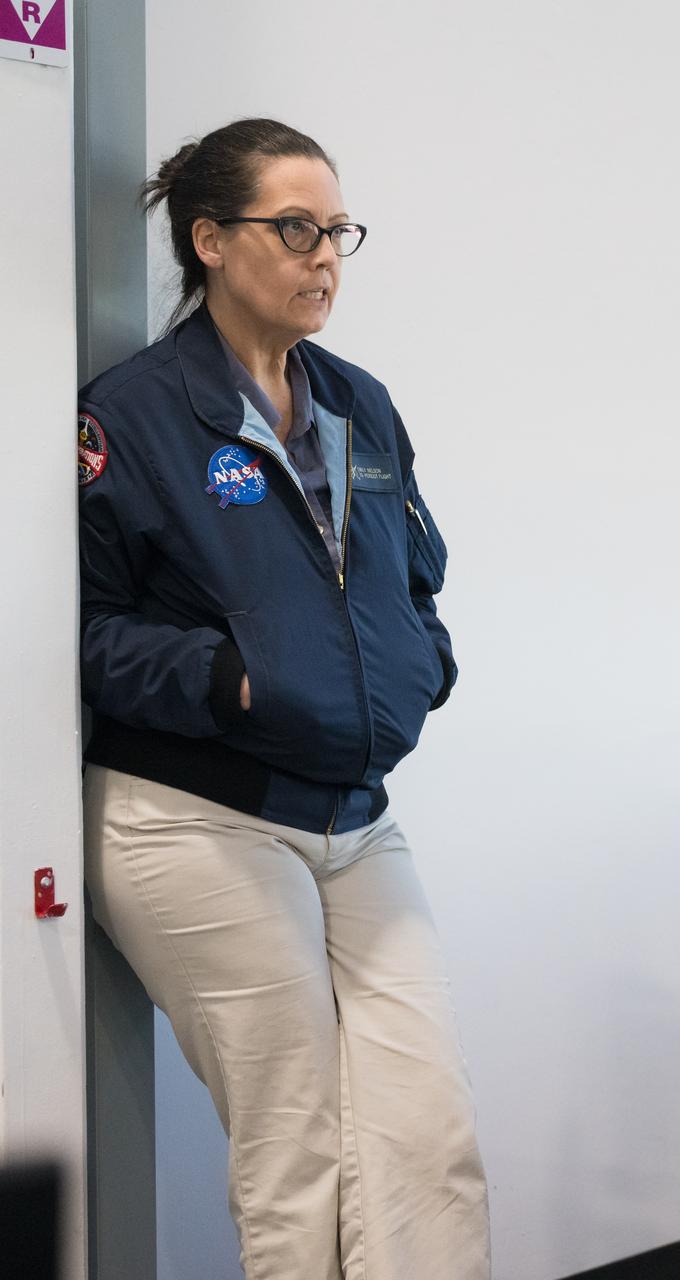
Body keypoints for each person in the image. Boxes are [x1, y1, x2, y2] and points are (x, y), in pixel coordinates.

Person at [78, 118, 488, 1278]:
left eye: (337, 231)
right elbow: (83, 635)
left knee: (429, 1132)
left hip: (354, 810)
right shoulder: (131, 415)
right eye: (294, 228)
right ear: (209, 240)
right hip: (196, 814)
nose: (324, 258)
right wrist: (227, 676)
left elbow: (415, 571)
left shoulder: (357, 400)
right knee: (297, 1144)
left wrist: (427, 659)